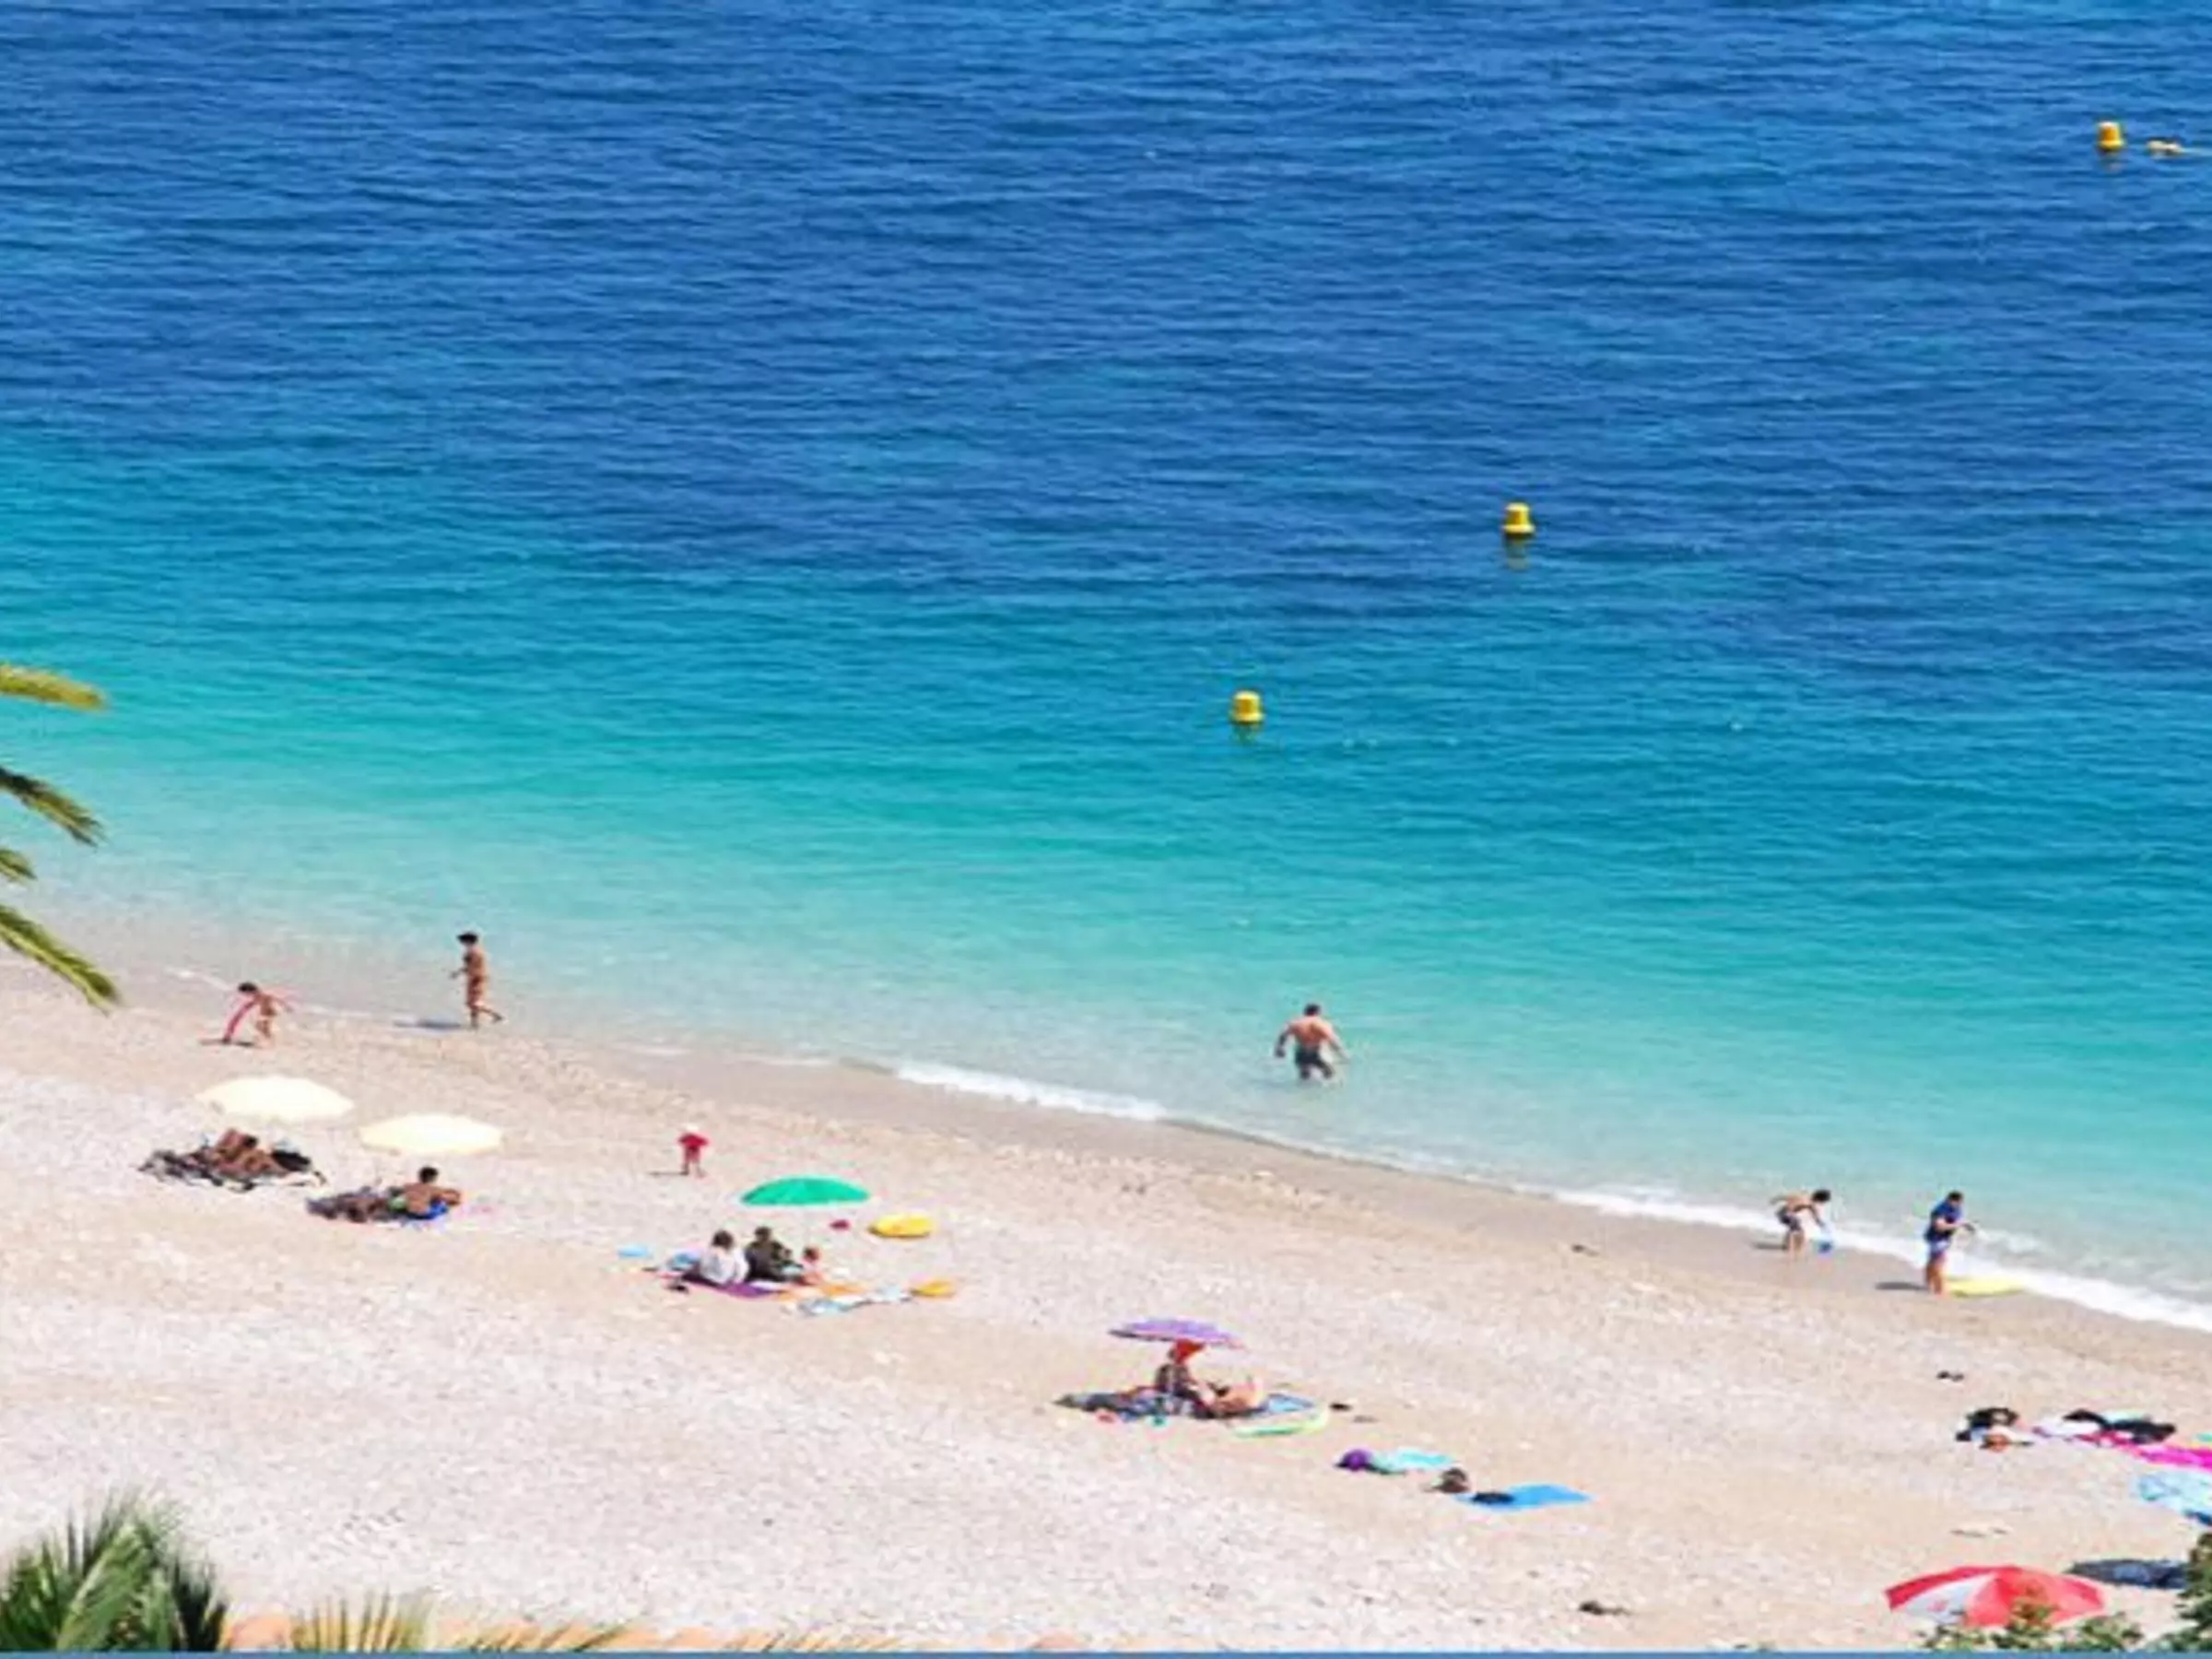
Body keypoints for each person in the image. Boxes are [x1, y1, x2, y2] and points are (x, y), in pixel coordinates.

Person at [1274, 1003, 1348, 1082]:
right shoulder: (1321, 1024)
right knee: (1329, 1073)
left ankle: (1301, 1089)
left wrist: (1280, 1048)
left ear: (1305, 1012)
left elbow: (1283, 1036)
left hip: (1300, 1054)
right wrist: (1342, 1054)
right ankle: (1324, 1089)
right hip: (1315, 1054)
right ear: (1318, 1012)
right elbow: (1332, 1040)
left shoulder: (1295, 1023)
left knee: (1304, 1077)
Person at [1924, 1190, 1974, 1296]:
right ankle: (1940, 1290)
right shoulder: (1940, 1210)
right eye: (1958, 1202)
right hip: (1937, 1239)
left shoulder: (1956, 1208)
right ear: (1950, 1200)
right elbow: (1940, 1226)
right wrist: (1957, 1225)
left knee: (1932, 1261)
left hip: (1943, 1239)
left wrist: (1966, 1225)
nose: (1959, 1205)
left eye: (1960, 1203)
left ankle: (1929, 1284)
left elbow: (1957, 1219)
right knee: (1939, 1263)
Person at [452, 932, 503, 1029]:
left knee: (473, 1003)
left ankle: (496, 1016)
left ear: (468, 941)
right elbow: (471, 966)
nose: (462, 944)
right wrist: (459, 973)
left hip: (476, 978)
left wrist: (458, 973)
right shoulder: (477, 951)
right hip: (477, 977)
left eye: (463, 942)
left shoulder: (472, 952)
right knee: (472, 1002)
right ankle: (474, 1024)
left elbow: (470, 966)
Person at [219, 982, 293, 1047]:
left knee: (263, 1027)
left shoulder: (264, 995)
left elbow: (276, 999)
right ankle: (268, 1041)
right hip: (265, 1013)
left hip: (269, 1012)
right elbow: (249, 1006)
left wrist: (286, 1006)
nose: (246, 995)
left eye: (246, 993)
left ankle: (270, 1042)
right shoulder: (256, 997)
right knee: (261, 1027)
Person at [1771, 1188, 1832, 1258]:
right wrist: (1821, 1225)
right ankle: (1793, 1249)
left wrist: (1775, 1200)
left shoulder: (1805, 1196)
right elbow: (1815, 1216)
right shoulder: (1809, 1203)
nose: (1823, 1204)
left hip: (1781, 1213)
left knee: (1796, 1228)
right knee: (1798, 1230)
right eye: (1824, 1202)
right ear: (1820, 1199)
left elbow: (1786, 1197)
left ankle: (1788, 1245)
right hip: (1786, 1214)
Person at [394, 1165, 463, 1219]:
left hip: (409, 1214)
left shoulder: (408, 1186)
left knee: (403, 1199)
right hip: (426, 1214)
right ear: (434, 1179)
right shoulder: (435, 1189)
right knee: (440, 1203)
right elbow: (452, 1200)